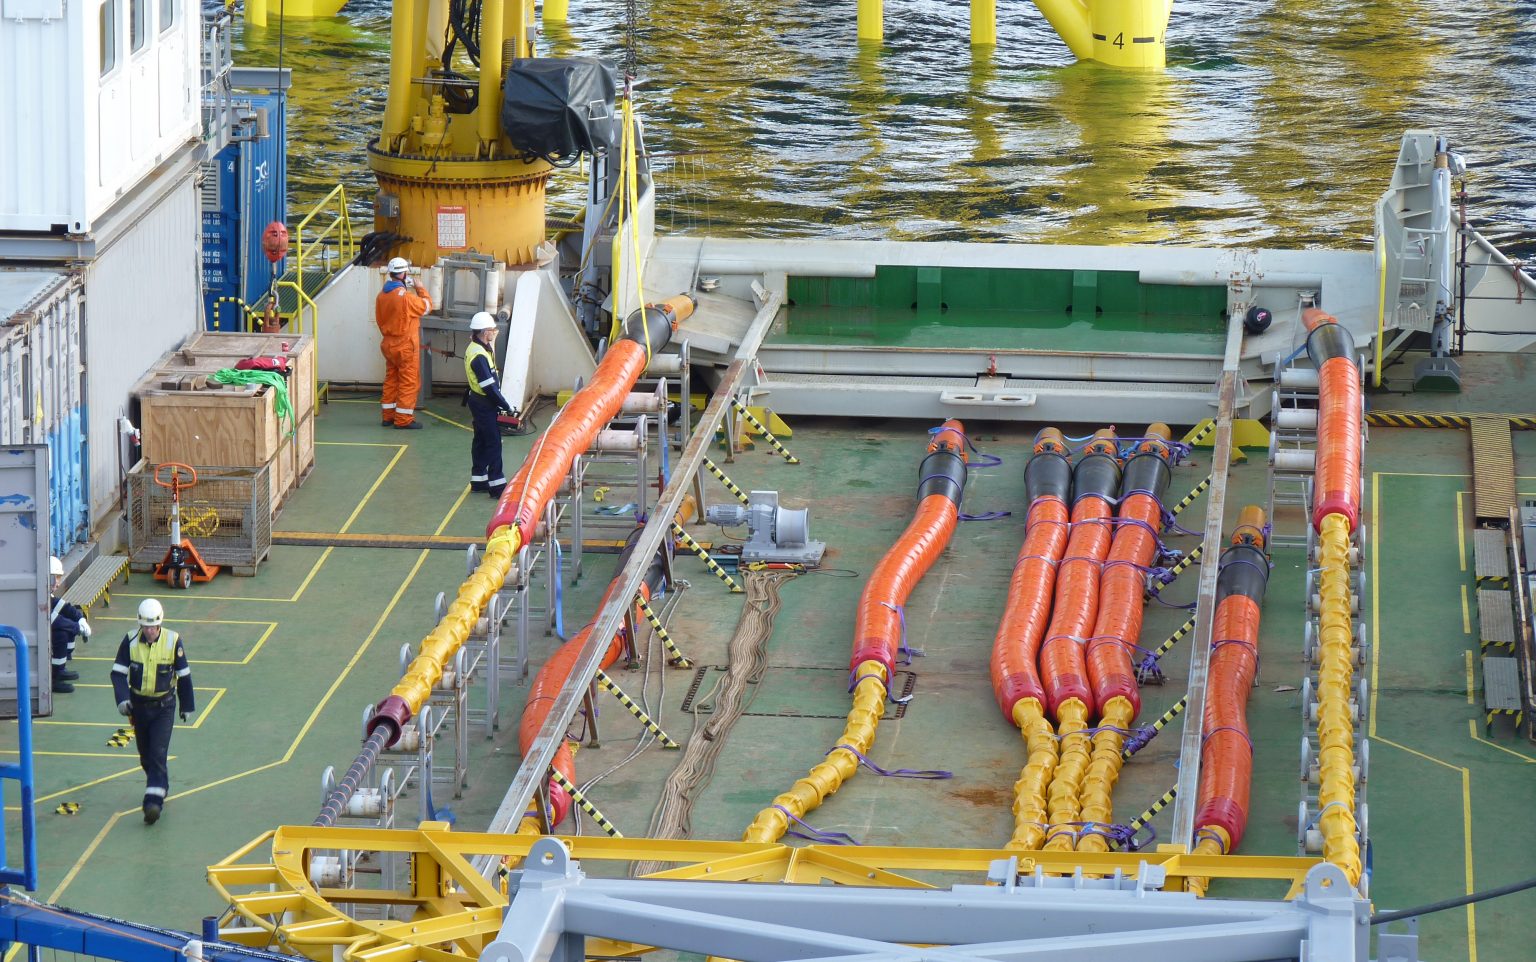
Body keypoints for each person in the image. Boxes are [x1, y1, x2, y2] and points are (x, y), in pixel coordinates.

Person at [109, 599, 194, 825]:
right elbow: (117, 674)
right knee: (146, 756)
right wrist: (123, 700)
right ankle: (161, 785)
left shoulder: (173, 641)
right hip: (138, 707)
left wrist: (187, 706)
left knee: (158, 752)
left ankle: (152, 804)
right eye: (145, 627)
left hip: (164, 707)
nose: (149, 631)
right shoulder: (129, 641)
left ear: (159, 624)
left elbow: (184, 675)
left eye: (153, 627)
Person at [375, 256, 432, 430]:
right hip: (405, 346)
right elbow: (427, 306)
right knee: (409, 381)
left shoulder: (381, 296)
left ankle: (388, 416)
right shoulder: (406, 298)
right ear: (404, 274)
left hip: (388, 344)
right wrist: (421, 288)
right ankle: (403, 419)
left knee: (391, 379)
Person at [464, 312, 515, 498]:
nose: (495, 332)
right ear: (486, 333)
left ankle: (478, 480)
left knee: (481, 440)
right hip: (484, 404)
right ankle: (497, 486)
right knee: (493, 442)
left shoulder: (477, 348)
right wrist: (505, 406)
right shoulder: (479, 355)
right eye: (493, 329)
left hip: (477, 401)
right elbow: (489, 387)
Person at [47, 556, 90, 694]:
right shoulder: (39, 594)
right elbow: (53, 620)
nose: (58, 583)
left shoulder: (46, 593)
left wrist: (80, 618)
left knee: (69, 623)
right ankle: (55, 678)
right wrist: (77, 628)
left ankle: (61, 668)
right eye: (57, 578)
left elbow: (62, 607)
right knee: (61, 632)